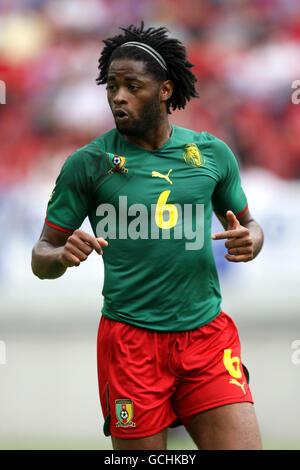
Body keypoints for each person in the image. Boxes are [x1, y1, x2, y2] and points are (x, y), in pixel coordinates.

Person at [31, 22, 264, 450]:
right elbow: (40, 257)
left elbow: (250, 226)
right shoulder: (88, 164)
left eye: (131, 86)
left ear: (164, 90)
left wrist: (251, 240)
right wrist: (60, 254)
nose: (117, 96)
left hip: (206, 336)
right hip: (131, 344)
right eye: (111, 86)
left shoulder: (212, 153)